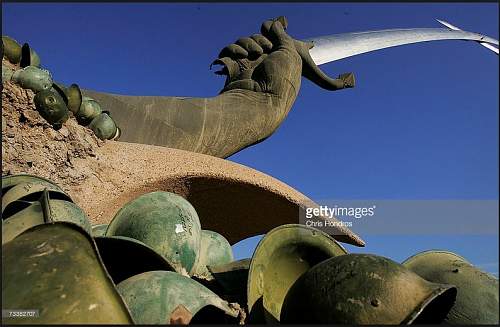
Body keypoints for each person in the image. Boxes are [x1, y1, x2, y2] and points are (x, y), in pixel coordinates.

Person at [85, 17, 355, 158]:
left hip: (258, 100)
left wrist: (338, 83)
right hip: (245, 100)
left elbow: (319, 75)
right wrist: (339, 82)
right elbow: (321, 77)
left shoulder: (290, 52)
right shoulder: (290, 51)